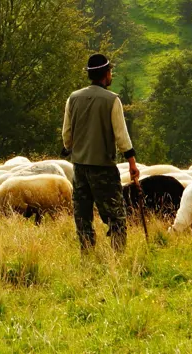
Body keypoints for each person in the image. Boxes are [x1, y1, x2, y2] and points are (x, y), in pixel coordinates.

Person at [62, 53, 138, 251]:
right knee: (116, 215)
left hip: (79, 167)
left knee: (83, 215)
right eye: (110, 71)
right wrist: (131, 162)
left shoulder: (73, 98)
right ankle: (118, 255)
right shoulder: (112, 100)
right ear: (106, 74)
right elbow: (122, 136)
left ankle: (87, 254)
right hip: (103, 168)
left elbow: (67, 134)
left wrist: (71, 149)